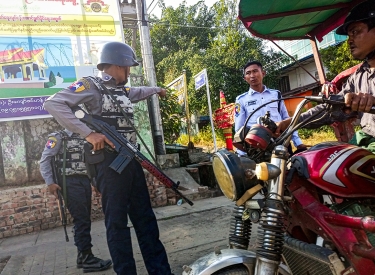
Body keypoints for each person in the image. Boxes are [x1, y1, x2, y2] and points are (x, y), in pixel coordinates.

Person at [43, 41, 173, 275]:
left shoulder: (120, 90)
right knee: (117, 225)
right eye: (128, 67)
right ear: (119, 64)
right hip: (109, 166)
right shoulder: (91, 85)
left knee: (146, 221)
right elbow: (54, 103)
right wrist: (89, 134)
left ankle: (161, 271)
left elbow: (136, 92)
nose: (129, 72)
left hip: (131, 161)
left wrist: (156, 90)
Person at [276, 0, 375, 152]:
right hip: (364, 139)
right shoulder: (359, 75)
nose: (350, 41)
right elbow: (330, 108)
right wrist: (289, 123)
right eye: (349, 35)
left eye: (355, 32)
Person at [39, 129, 112, 273]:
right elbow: (44, 160)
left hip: (84, 180)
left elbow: (88, 162)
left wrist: (94, 182)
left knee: (84, 219)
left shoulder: (86, 136)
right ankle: (87, 258)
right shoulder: (57, 137)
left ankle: (82, 256)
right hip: (69, 182)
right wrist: (50, 183)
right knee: (81, 220)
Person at [234, 60, 307, 155]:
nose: (252, 75)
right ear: (245, 78)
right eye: (248, 73)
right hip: (257, 144)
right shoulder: (241, 99)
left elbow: (287, 119)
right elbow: (239, 128)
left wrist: (298, 142)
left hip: (281, 141)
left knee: (287, 168)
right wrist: (243, 153)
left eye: (255, 71)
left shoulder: (276, 94)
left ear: (263, 73)